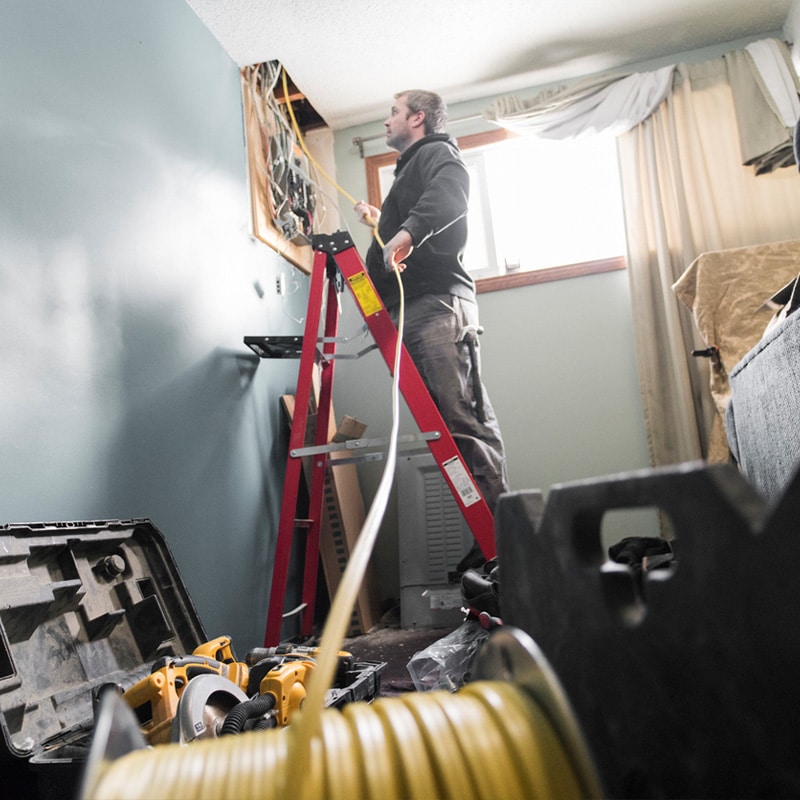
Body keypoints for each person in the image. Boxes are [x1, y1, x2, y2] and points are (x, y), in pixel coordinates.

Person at [354, 89, 510, 572]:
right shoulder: (410, 168)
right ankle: (493, 541)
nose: (386, 121)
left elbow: (450, 196)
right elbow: (427, 212)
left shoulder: (437, 152)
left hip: (439, 305)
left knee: (464, 423)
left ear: (418, 118)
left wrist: (406, 231)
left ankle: (504, 544)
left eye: (393, 112)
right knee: (453, 426)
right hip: (423, 307)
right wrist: (387, 224)